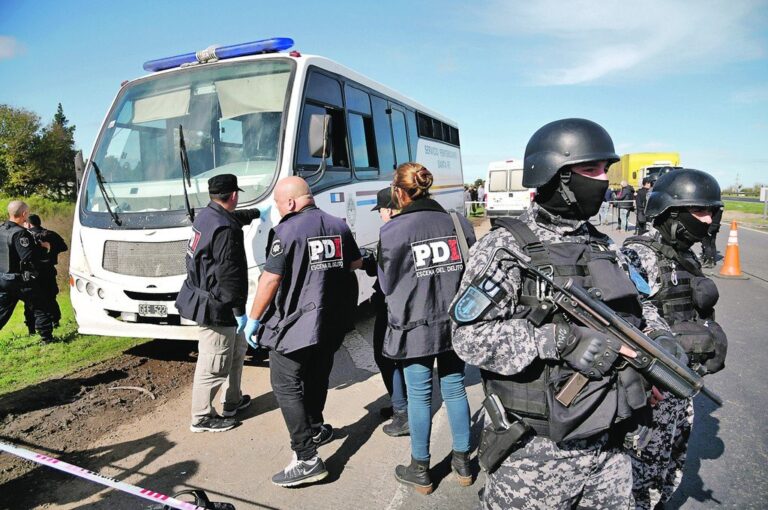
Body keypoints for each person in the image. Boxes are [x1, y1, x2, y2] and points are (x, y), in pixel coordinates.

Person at [450, 118, 670, 509]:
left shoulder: (605, 245)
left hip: (611, 445)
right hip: (537, 454)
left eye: (604, 170)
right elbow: (467, 336)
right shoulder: (507, 247)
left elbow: (642, 307)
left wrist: (660, 337)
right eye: (591, 170)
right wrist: (555, 340)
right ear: (557, 176)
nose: (603, 180)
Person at [242, 176, 362, 488]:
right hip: (331, 323)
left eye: (280, 205)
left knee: (285, 384)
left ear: (292, 203)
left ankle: (306, 457)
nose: (280, 211)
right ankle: (315, 425)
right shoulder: (339, 224)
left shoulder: (286, 230)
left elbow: (270, 279)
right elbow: (353, 264)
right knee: (317, 374)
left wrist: (253, 318)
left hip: (296, 325)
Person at [622, 168, 728, 509]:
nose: (708, 218)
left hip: (682, 383)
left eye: (711, 211)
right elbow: (630, 319)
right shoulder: (640, 255)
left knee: (671, 461)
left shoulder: (688, 255)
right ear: (671, 213)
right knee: (639, 468)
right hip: (652, 387)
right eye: (700, 211)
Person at [378, 162, 476, 495]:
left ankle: (420, 469)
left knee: (419, 398)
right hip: (455, 321)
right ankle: (463, 462)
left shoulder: (393, 229)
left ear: (398, 191)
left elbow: (386, 283)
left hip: (414, 326)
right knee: (455, 387)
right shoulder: (456, 221)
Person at [175, 174, 260, 434]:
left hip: (207, 297)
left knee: (235, 352)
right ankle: (201, 417)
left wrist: (256, 213)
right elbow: (229, 273)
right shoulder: (226, 228)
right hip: (218, 305)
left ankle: (232, 401)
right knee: (214, 363)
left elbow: (233, 218)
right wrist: (238, 311)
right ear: (233, 195)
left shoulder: (207, 215)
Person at [363, 187, 409, 436]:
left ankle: (402, 412)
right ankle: (401, 405)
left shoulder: (390, 232)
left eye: (380, 210)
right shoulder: (411, 226)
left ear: (389, 209)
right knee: (399, 358)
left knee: (385, 356)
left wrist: (366, 262)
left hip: (390, 303)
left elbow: (384, 272)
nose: (380, 214)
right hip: (407, 302)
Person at [1, 201, 54, 343]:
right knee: (40, 305)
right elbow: (28, 257)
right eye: (28, 212)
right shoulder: (20, 233)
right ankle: (47, 339)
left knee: (2, 312)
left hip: (2, 278)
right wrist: (45, 248)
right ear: (24, 214)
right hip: (18, 280)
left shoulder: (1, 229)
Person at [23, 214, 68, 333]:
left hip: (33, 273)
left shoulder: (24, 236)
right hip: (48, 270)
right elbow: (64, 247)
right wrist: (51, 248)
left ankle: (31, 328)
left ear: (28, 224)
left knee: (31, 300)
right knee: (51, 296)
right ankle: (55, 321)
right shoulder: (50, 234)